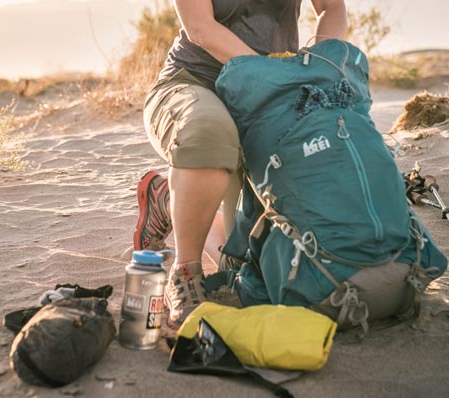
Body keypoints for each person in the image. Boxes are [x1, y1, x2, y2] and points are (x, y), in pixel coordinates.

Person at [134, 0, 348, 329]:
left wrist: (318, 64)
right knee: (209, 134)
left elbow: (331, 7)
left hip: (268, 97)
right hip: (196, 82)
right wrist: (276, 74)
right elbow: (200, 29)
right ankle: (186, 273)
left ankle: (169, 201)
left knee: (243, 268)